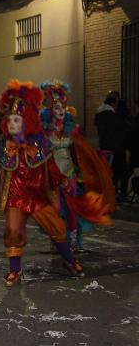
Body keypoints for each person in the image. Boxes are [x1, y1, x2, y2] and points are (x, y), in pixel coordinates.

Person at [0, 80, 110, 286]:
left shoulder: (41, 145)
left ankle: (70, 260)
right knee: (13, 231)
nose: (12, 124)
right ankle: (14, 271)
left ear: (26, 121)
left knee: (57, 227)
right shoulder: (2, 147)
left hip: (38, 197)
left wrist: (62, 181)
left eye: (16, 120)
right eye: (9, 120)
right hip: (14, 199)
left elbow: (52, 169)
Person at [40, 81, 115, 251]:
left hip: (69, 175)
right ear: (50, 110)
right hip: (51, 177)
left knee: (72, 208)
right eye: (57, 107)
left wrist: (97, 158)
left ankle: (75, 239)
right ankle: (57, 239)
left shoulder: (71, 130)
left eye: (62, 107)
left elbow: (83, 151)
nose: (60, 110)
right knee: (55, 209)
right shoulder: (45, 132)